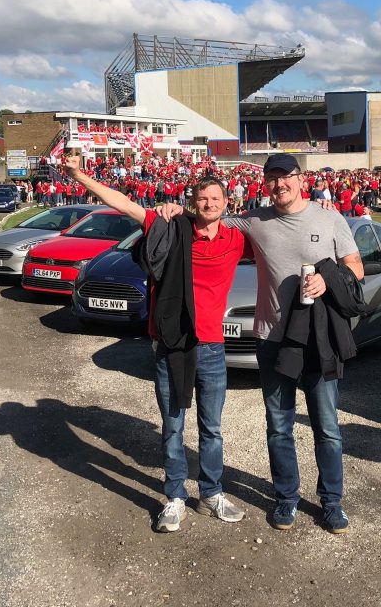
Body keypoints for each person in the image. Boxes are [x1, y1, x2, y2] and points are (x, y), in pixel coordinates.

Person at [161, 153, 364, 534]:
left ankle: (332, 502)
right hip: (272, 339)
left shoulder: (329, 216)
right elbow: (209, 217)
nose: (279, 185)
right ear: (264, 184)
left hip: (317, 340)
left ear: (300, 179)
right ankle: (285, 498)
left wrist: (326, 279)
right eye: (271, 179)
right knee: (279, 425)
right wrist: (176, 209)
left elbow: (355, 266)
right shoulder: (255, 220)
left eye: (285, 177)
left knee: (328, 427)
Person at [61, 153, 248, 533]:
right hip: (170, 343)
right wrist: (80, 176)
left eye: (215, 198)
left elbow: (284, 227)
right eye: (202, 198)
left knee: (211, 427)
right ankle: (175, 497)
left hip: (211, 347)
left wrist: (321, 206)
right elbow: (123, 203)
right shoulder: (172, 226)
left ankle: (211, 493)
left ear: (227, 203)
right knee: (173, 425)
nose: (209, 204)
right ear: (193, 202)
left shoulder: (237, 239)